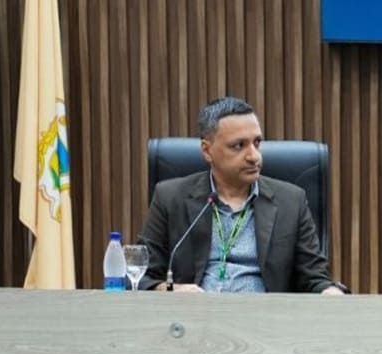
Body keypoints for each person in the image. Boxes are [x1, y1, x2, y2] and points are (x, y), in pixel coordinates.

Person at [139, 97, 344, 294]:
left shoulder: (291, 201)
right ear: (207, 151)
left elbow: (315, 278)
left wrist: (330, 291)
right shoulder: (170, 197)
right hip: (195, 314)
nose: (254, 156)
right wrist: (171, 290)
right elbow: (141, 277)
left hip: (262, 315)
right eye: (239, 146)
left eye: (257, 143)